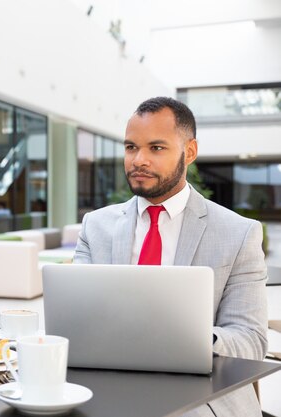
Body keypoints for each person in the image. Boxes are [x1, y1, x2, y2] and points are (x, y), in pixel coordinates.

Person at [74, 97, 267, 417]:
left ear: (189, 152)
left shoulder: (239, 233)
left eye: (156, 148)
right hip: (107, 386)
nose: (138, 160)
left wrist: (182, 340)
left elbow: (250, 341)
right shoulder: (96, 227)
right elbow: (77, 317)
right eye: (131, 147)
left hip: (202, 395)